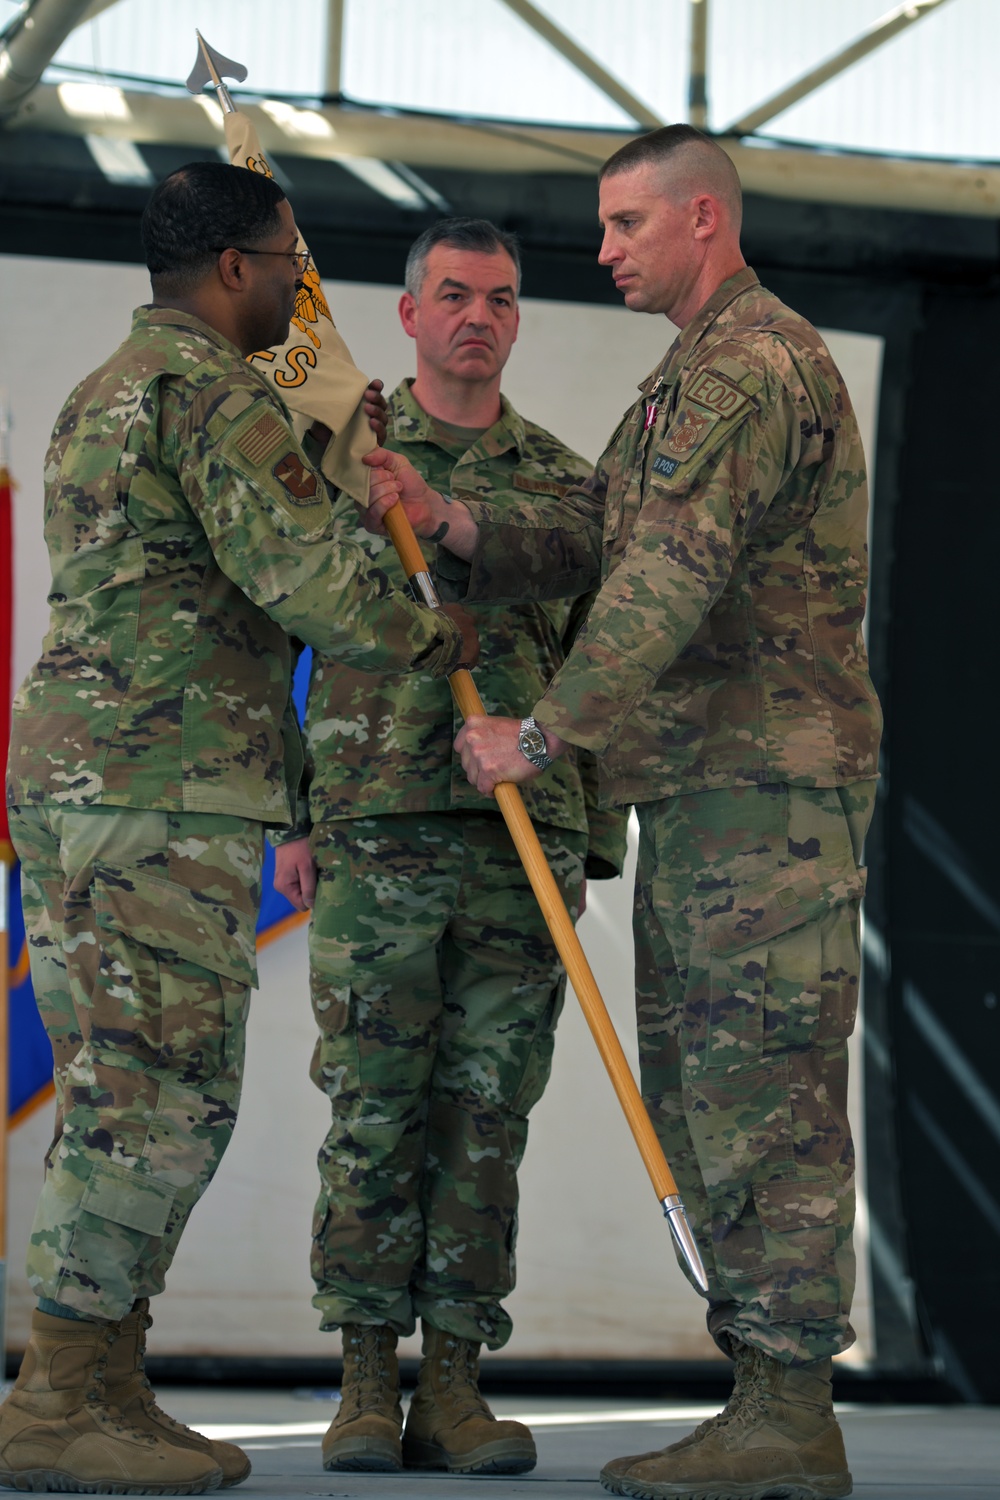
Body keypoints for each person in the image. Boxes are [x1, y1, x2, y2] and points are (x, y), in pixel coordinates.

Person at [363, 126, 882, 1500]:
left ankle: (788, 1411)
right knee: (708, 1099)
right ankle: (764, 1404)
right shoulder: (682, 381)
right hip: (706, 796)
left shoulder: (751, 369)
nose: (604, 252)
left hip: (764, 801)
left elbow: (664, 586)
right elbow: (602, 534)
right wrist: (455, 521)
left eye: (626, 225)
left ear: (702, 220)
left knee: (762, 1101)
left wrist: (538, 736)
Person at [0, 162, 476, 1497]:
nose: (292, 283)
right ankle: (60, 1400)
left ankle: (98, 1383)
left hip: (97, 782)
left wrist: (325, 451)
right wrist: (439, 630)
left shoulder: (111, 388)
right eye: (283, 260)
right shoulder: (210, 393)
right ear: (230, 269)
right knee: (160, 1103)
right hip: (161, 789)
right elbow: (313, 580)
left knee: (118, 1094)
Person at [272, 217, 627, 1477]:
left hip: (520, 835)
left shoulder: (563, 477)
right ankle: (367, 1380)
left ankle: (458, 1386)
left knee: (489, 1116)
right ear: (410, 314)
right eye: (456, 295)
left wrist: (593, 846)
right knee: (372, 1107)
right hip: (373, 819)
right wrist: (291, 814)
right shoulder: (338, 454)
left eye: (504, 299)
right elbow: (280, 627)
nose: (481, 316)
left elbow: (602, 658)